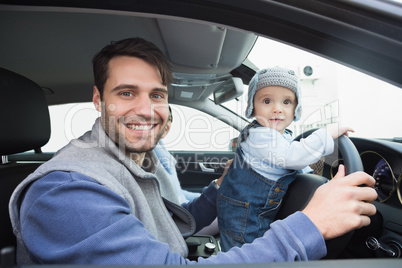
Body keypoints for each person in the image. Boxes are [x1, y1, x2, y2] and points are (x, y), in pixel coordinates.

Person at [9, 37, 377, 265]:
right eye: (126, 93)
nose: (145, 109)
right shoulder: (66, 193)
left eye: (157, 95)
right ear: (97, 100)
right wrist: (309, 226)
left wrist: (222, 188)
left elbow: (166, 224)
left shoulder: (130, 162)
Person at [217, 66, 354, 251]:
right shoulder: (261, 136)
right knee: (247, 257)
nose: (277, 109)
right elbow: (293, 157)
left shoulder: (279, 137)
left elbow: (293, 164)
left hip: (242, 213)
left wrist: (311, 173)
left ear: (296, 108)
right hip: (245, 219)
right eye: (267, 101)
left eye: (287, 102)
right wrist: (327, 134)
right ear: (252, 106)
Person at [154, 106, 201, 204]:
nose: (165, 123)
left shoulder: (161, 149)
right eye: (159, 118)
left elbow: (179, 194)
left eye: (169, 119)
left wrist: (206, 196)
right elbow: (175, 204)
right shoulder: (150, 159)